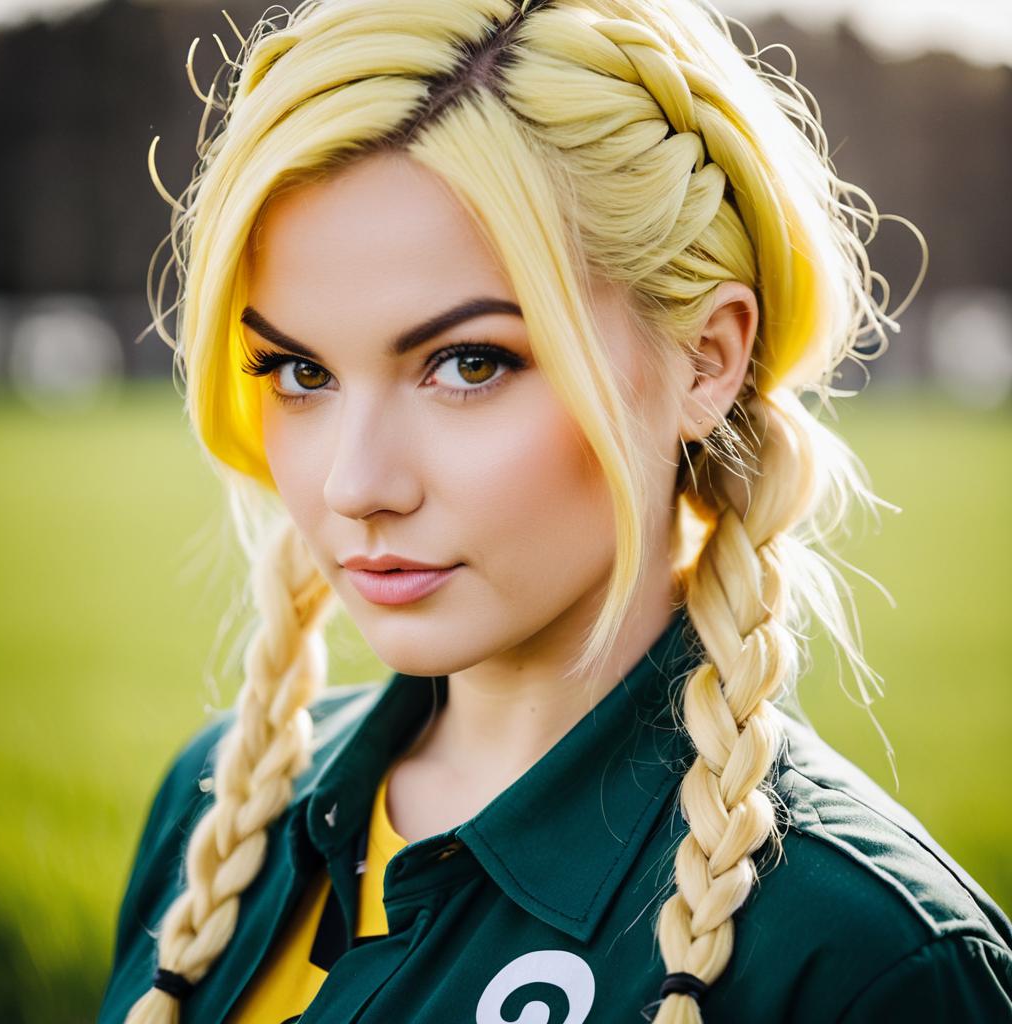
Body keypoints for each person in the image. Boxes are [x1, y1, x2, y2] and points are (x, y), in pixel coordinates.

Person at [99, 1, 1012, 1022]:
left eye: (468, 363)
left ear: (707, 359)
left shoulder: (866, 958)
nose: (355, 485)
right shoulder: (215, 811)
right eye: (299, 370)